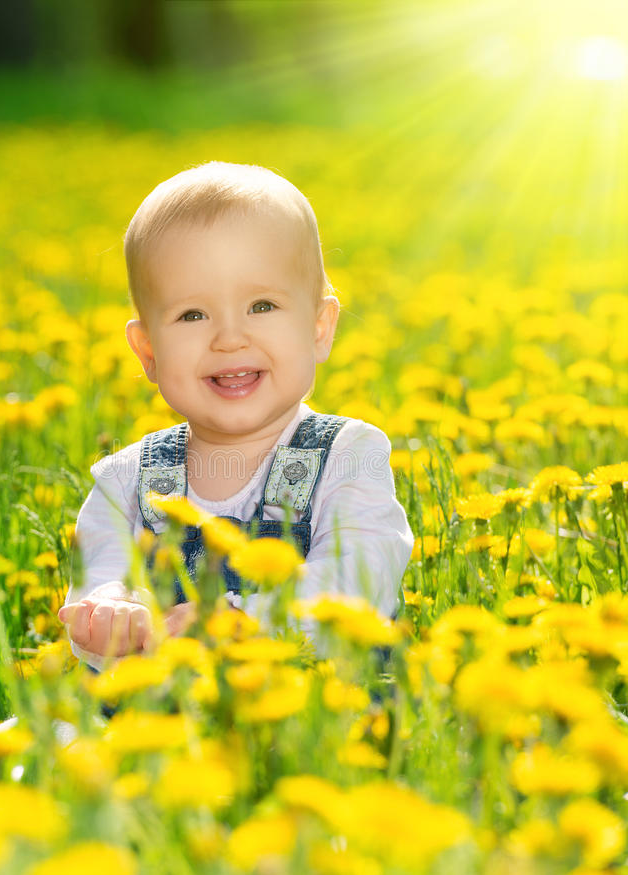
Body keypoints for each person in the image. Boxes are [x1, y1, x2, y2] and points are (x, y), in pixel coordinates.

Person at [59, 162, 413, 671]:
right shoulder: (126, 480)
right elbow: (94, 585)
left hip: (315, 714)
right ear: (148, 351)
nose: (229, 338)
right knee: (37, 742)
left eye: (262, 305)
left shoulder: (349, 456)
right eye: (192, 315)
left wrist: (247, 621)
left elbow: (359, 581)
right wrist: (112, 612)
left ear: (319, 327)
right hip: (164, 724)